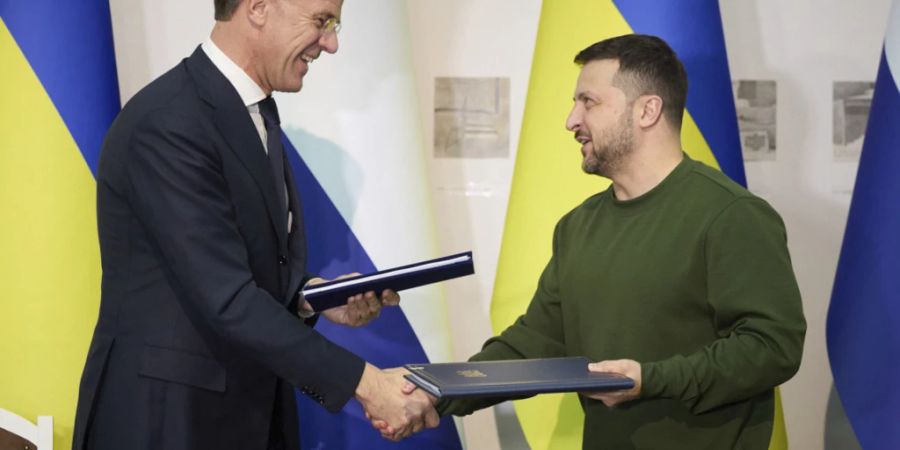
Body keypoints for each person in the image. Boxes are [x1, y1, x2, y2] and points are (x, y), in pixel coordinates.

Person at [379, 34, 807, 448]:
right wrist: (433, 389)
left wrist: (650, 380)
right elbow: (535, 344)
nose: (571, 120)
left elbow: (772, 347)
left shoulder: (730, 215)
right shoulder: (577, 226)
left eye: (589, 101)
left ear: (647, 111)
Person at [71, 1, 438, 449]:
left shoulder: (253, 112)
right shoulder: (168, 122)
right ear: (260, 8)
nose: (331, 43)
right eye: (321, 21)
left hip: (245, 417)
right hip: (168, 423)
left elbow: (232, 264)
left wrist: (315, 298)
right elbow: (226, 299)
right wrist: (367, 384)